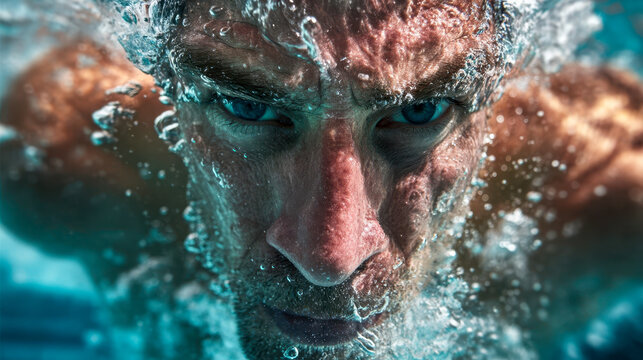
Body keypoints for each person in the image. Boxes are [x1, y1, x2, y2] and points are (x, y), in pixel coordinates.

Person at [1, 0, 641, 359]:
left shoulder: (615, 192)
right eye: (247, 107)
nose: (329, 258)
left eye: (419, 112)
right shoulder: (54, 160)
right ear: (169, 87)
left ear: (497, 91)